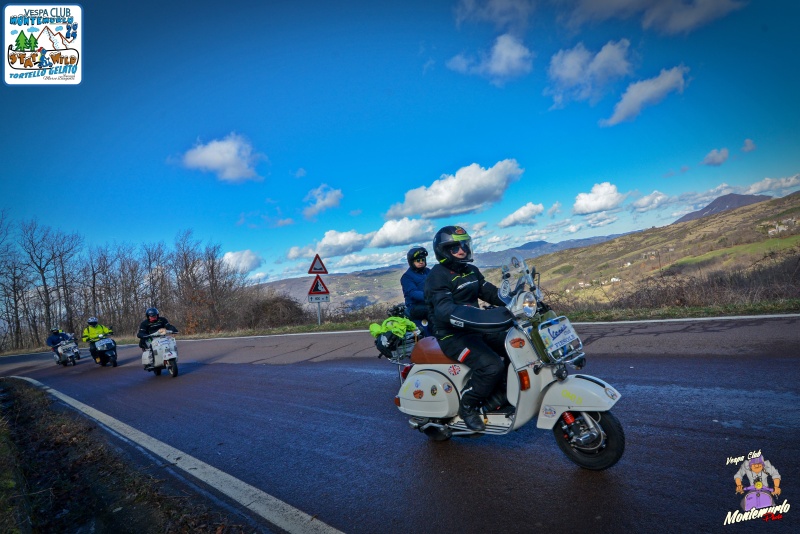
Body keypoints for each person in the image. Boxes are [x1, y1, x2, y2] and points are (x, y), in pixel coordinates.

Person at [424, 225, 513, 431]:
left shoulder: (470, 270)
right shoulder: (437, 276)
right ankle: (468, 407)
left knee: (515, 345)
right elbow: (445, 310)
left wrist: (516, 299)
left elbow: (489, 292)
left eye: (464, 245)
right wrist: (480, 317)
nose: (462, 250)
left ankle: (501, 391)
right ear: (443, 251)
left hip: (475, 328)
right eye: (455, 248)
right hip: (452, 335)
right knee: (491, 366)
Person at [400, 246, 431, 334]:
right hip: (415, 307)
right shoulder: (407, 277)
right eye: (418, 260)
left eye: (423, 259)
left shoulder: (428, 272)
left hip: (429, 303)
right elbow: (412, 293)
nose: (421, 262)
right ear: (411, 262)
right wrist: (430, 296)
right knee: (434, 311)